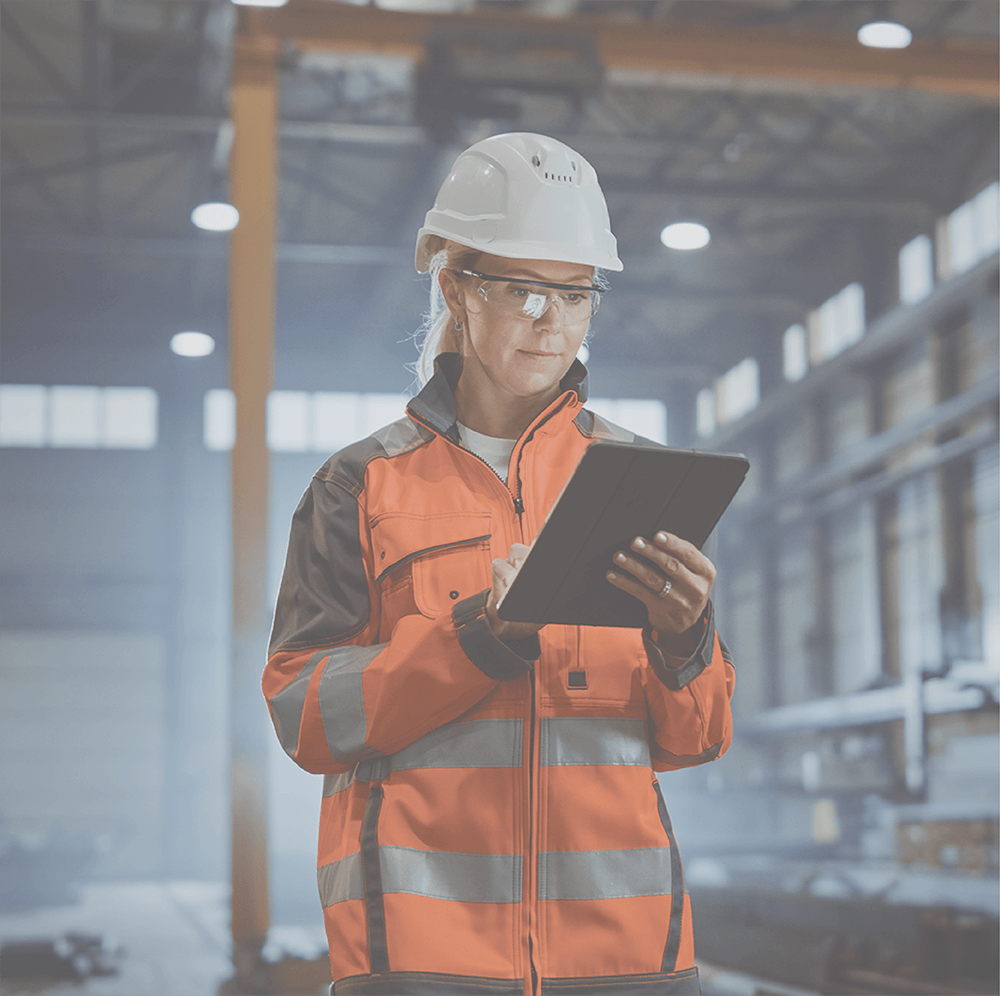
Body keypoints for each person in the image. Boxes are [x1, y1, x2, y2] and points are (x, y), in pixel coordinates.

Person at [263, 132, 734, 996]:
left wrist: (686, 639)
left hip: (625, 955)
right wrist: (480, 636)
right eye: (521, 290)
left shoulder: (636, 479)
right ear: (455, 289)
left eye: (575, 294)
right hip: (424, 953)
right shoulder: (361, 485)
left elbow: (696, 736)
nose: (548, 320)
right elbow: (304, 715)